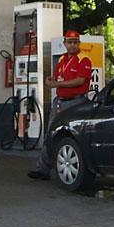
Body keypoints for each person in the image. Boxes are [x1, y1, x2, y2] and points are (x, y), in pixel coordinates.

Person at [28, 31, 96, 181]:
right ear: (65, 43)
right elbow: (59, 76)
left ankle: (80, 170)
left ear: (79, 43)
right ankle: (43, 169)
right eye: (69, 42)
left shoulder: (84, 59)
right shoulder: (62, 60)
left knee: (75, 135)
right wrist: (50, 79)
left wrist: (57, 84)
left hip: (77, 101)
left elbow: (79, 81)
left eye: (75, 42)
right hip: (60, 101)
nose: (72, 45)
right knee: (50, 134)